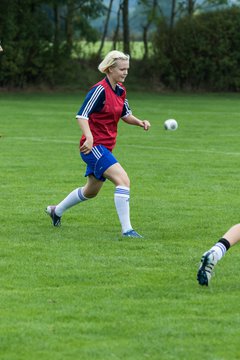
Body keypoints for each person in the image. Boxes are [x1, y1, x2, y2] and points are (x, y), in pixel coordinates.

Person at [46, 50, 151, 238]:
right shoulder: (99, 90)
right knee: (123, 180)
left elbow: (125, 115)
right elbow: (82, 115)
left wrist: (140, 122)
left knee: (91, 191)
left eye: (127, 69)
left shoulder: (120, 90)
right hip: (93, 147)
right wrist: (89, 137)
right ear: (110, 69)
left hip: (105, 147)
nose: (126, 72)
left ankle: (56, 211)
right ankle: (127, 230)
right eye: (122, 69)